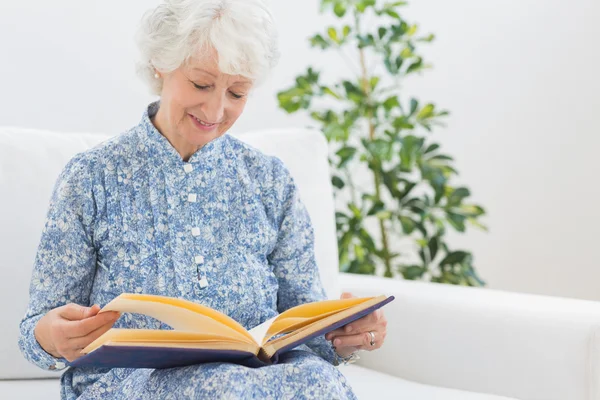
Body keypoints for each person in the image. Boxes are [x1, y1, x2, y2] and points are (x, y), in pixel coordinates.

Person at [18, 0, 388, 398]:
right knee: (220, 388)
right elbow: (37, 330)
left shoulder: (270, 181)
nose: (216, 109)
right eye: (201, 84)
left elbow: (306, 327)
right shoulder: (91, 178)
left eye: (237, 92)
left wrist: (344, 335)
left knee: (320, 381)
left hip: (261, 375)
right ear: (160, 64)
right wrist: (52, 336)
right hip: (131, 382)